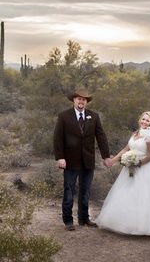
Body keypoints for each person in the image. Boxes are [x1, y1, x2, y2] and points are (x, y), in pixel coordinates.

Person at [53, 88, 113, 231]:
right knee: (69, 191)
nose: (81, 101)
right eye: (79, 99)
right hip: (70, 160)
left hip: (88, 160)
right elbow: (57, 138)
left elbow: (101, 137)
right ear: (74, 100)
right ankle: (68, 220)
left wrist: (106, 156)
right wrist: (60, 157)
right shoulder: (64, 116)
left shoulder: (94, 116)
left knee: (85, 191)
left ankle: (83, 218)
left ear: (87, 102)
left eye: (84, 99)